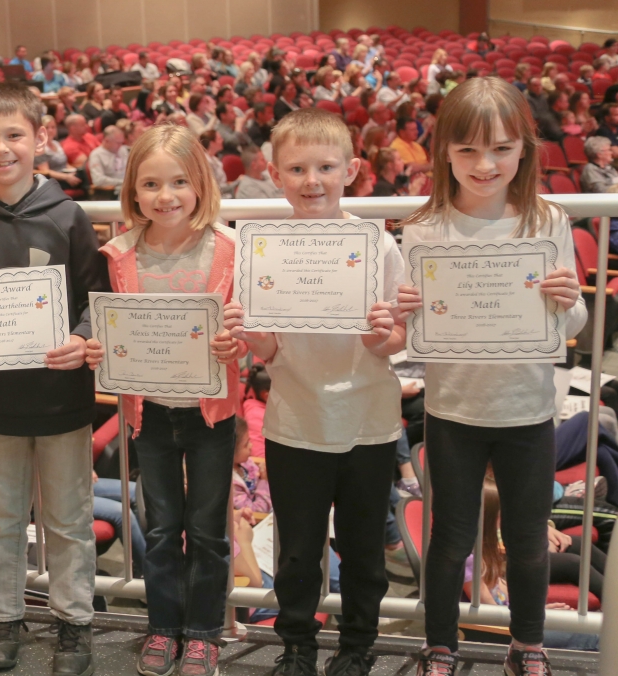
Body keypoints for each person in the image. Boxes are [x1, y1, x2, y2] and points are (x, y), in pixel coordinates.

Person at [397, 77, 588, 676]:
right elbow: (411, 332)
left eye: (502, 148)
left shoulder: (547, 220)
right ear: (445, 153)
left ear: (524, 149)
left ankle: (527, 646)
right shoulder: (425, 227)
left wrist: (569, 301)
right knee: (450, 539)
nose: (485, 165)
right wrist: (404, 312)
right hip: (452, 410)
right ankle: (439, 647)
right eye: (469, 150)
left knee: (528, 539)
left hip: (526, 409)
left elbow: (571, 323)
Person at [223, 108, 406, 676]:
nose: (312, 181)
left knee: (363, 549)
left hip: (368, 421)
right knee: (299, 550)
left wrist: (380, 335)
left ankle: (357, 647)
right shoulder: (263, 250)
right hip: (296, 420)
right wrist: (249, 329)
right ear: (274, 174)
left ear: (350, 170)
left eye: (326, 167)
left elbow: (397, 338)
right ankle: (298, 646)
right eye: (297, 169)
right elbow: (267, 350)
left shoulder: (378, 246)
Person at [0, 80, 108, 676]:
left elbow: (94, 298)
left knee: (68, 519)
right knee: (5, 518)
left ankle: (74, 621)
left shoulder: (68, 215)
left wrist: (82, 337)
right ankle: (4, 616)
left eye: (15, 135)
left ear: (41, 138)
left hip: (63, 399)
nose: (2, 148)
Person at [82, 123, 242, 676]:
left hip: (211, 414)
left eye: (178, 182)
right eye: (150, 184)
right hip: (147, 414)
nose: (165, 196)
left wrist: (237, 341)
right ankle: (163, 626)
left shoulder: (229, 249)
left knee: (207, 531)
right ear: (133, 190)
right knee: (160, 527)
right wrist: (99, 346)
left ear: (200, 184)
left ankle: (203, 633)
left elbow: (246, 329)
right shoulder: (118, 255)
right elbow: (106, 326)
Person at [465, 475, 601, 651]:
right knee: (591, 636)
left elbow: (507, 597)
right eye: (502, 514)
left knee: (590, 626)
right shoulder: (469, 560)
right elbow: (489, 612)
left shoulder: (485, 553)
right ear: (489, 519)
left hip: (516, 621)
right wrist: (537, 617)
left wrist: (540, 611)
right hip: (503, 632)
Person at [34, 114, 86, 192]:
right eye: (47, 127)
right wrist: (66, 177)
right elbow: (45, 171)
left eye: (53, 127)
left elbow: (65, 164)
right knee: (84, 183)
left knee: (83, 173)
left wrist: (74, 171)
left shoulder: (57, 144)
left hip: (65, 174)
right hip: (53, 181)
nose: (51, 130)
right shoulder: (40, 147)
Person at [87, 125, 129, 198]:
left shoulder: (122, 150)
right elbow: (98, 180)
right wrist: (123, 182)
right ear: (106, 140)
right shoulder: (96, 155)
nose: (120, 145)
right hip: (112, 192)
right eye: (118, 143)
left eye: (122, 143)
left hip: (127, 186)